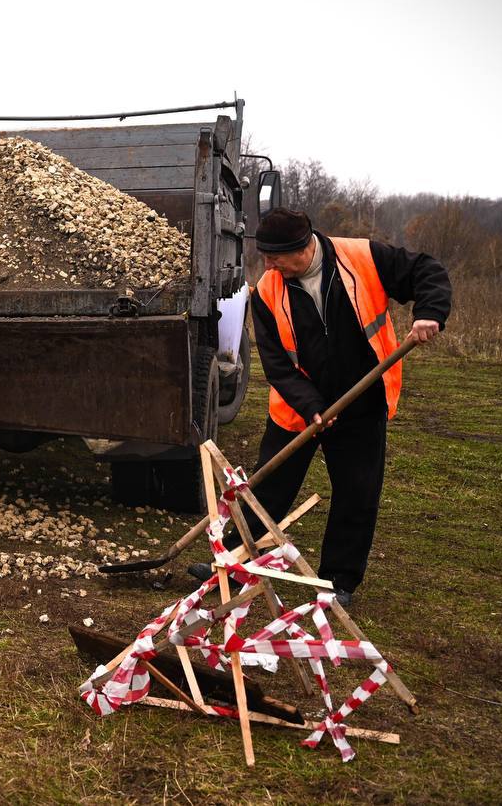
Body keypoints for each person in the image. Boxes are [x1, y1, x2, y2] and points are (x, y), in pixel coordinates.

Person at [188, 208, 451, 607]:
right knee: (267, 490)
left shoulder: (362, 258)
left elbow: (427, 271)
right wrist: (311, 405)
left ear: (302, 247)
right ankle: (234, 564)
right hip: (299, 407)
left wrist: (430, 313)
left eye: (274, 257)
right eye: (265, 257)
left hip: (362, 401)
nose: (268, 265)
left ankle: (338, 583)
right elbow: (276, 363)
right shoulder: (267, 290)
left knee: (356, 492)